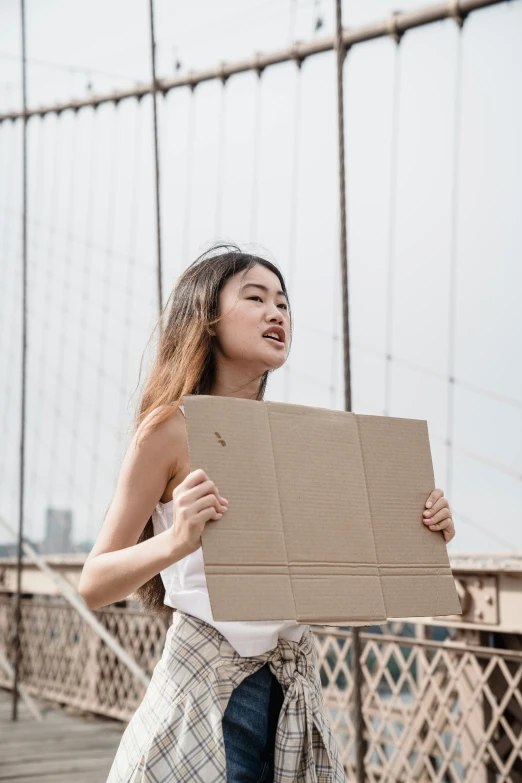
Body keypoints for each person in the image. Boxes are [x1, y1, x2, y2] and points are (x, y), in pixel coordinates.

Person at [79, 242, 455, 782]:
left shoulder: (297, 439)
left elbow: (347, 563)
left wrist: (423, 529)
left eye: (283, 302)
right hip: (207, 691)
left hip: (292, 689)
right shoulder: (170, 429)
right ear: (207, 319)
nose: (277, 312)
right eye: (256, 298)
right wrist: (176, 540)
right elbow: (93, 583)